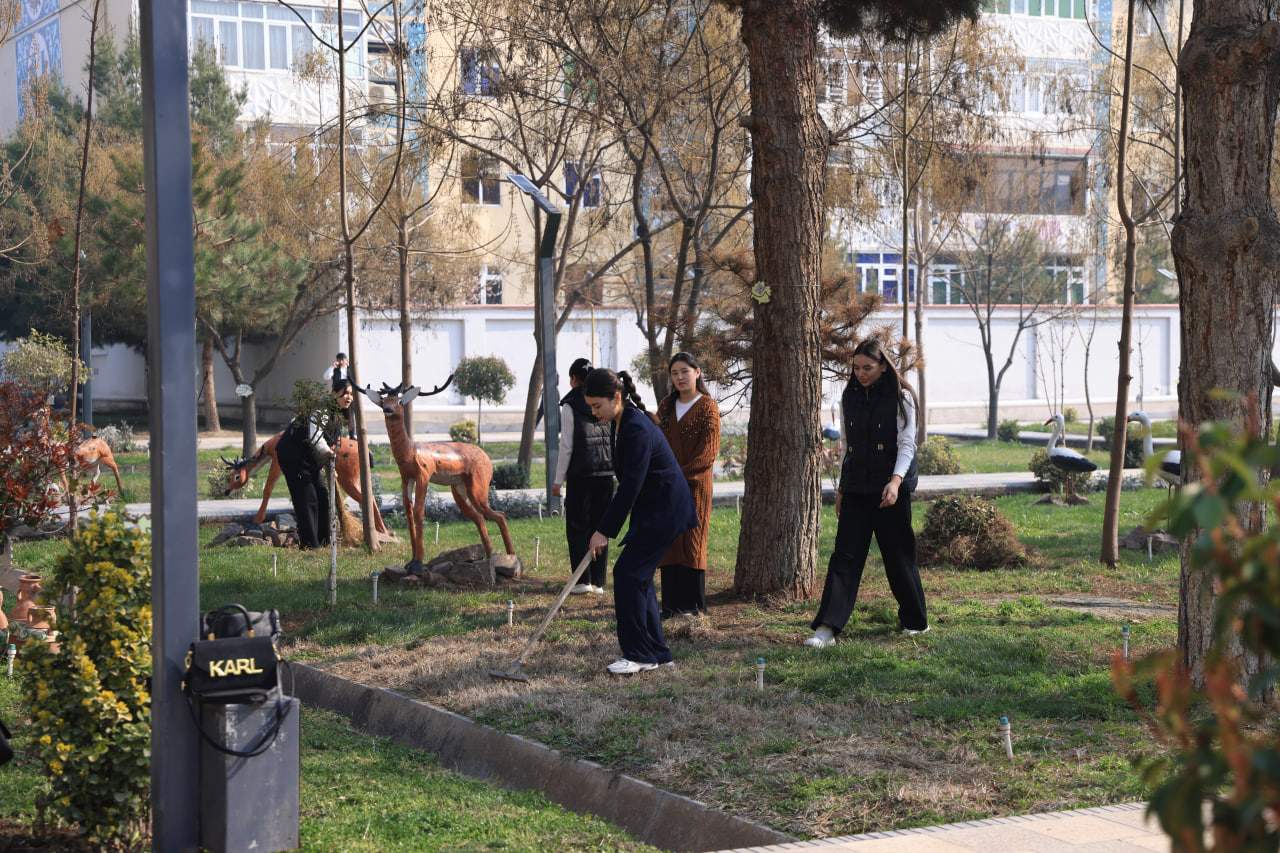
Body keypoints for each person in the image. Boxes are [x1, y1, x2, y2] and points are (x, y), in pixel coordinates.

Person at [805, 338, 928, 647]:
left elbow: (908, 444)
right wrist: (843, 489)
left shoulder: (902, 398)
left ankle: (915, 621)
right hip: (858, 486)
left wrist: (896, 481)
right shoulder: (850, 396)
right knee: (844, 557)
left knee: (898, 556)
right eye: (856, 368)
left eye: (868, 368)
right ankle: (827, 628)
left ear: (883, 365)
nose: (861, 373)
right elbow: (847, 446)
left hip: (891, 488)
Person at [586, 369, 697, 675]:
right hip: (655, 509)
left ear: (616, 398)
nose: (594, 413)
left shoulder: (635, 428)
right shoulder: (622, 422)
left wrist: (603, 531)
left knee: (627, 574)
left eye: (597, 406)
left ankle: (639, 654)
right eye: (591, 407)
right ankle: (658, 653)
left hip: (665, 509)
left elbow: (630, 486)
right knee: (637, 576)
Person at [655, 352, 720, 617]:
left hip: (695, 486)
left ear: (697, 372)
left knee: (692, 540)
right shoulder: (666, 406)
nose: (680, 377)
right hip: (667, 486)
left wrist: (680, 475)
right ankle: (671, 606)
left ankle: (694, 605)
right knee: (670, 542)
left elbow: (709, 452)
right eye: (674, 373)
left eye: (685, 371)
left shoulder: (707, 406)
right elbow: (656, 442)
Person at [552, 358, 614, 595]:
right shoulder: (606, 401)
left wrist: (558, 481)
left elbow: (567, 445)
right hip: (606, 472)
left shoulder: (570, 404)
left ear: (573, 380)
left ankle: (581, 581)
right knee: (601, 526)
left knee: (578, 525)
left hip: (581, 474)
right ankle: (598, 582)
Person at [276, 377, 354, 549]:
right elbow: (316, 437)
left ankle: (324, 541)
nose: (348, 397)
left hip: (310, 459)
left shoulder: (338, 416)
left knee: (322, 496)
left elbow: (330, 444)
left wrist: (329, 466)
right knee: (307, 498)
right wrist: (328, 455)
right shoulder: (322, 409)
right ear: (334, 394)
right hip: (293, 456)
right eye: (345, 393)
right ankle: (310, 545)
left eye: (351, 394)